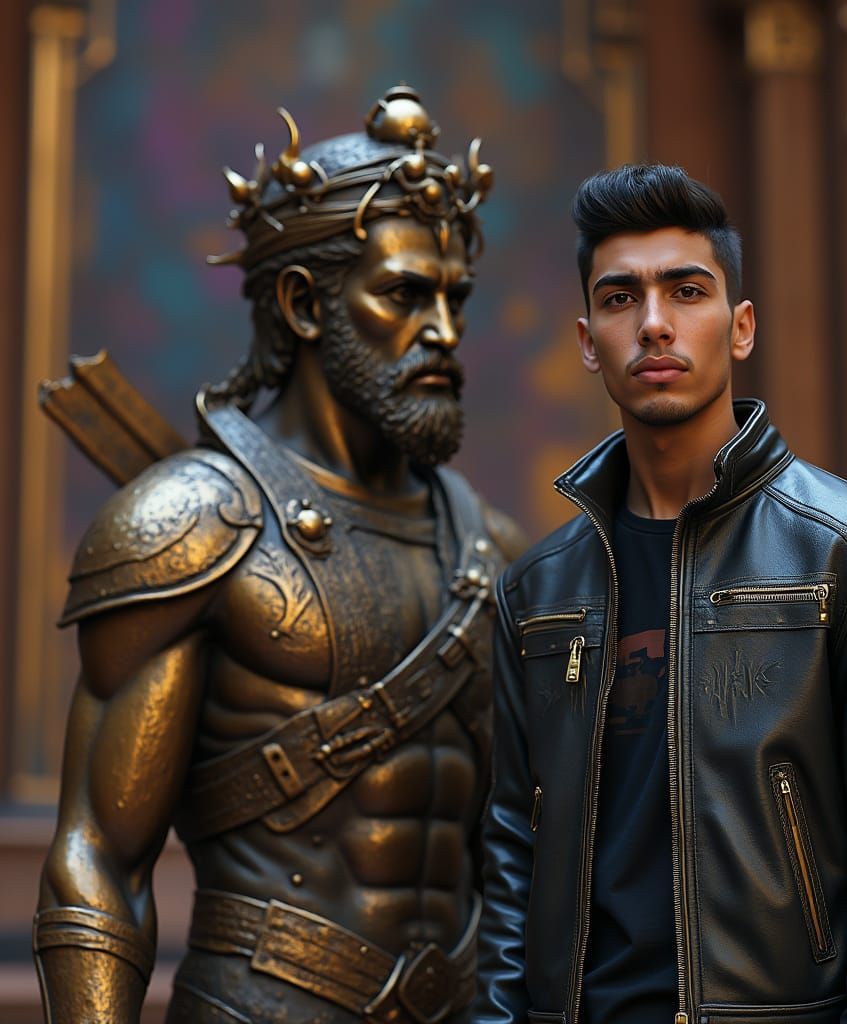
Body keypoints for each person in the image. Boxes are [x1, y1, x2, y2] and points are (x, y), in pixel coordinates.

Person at [34, 86, 524, 1024]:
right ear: (303, 303)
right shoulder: (191, 525)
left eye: (455, 298)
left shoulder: (489, 548)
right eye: (405, 295)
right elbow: (97, 857)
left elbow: (518, 857)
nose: (446, 333)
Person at [473, 164, 847, 1024]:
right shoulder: (538, 592)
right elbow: (512, 851)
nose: (656, 323)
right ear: (590, 339)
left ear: (740, 328)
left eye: (687, 291)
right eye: (622, 298)